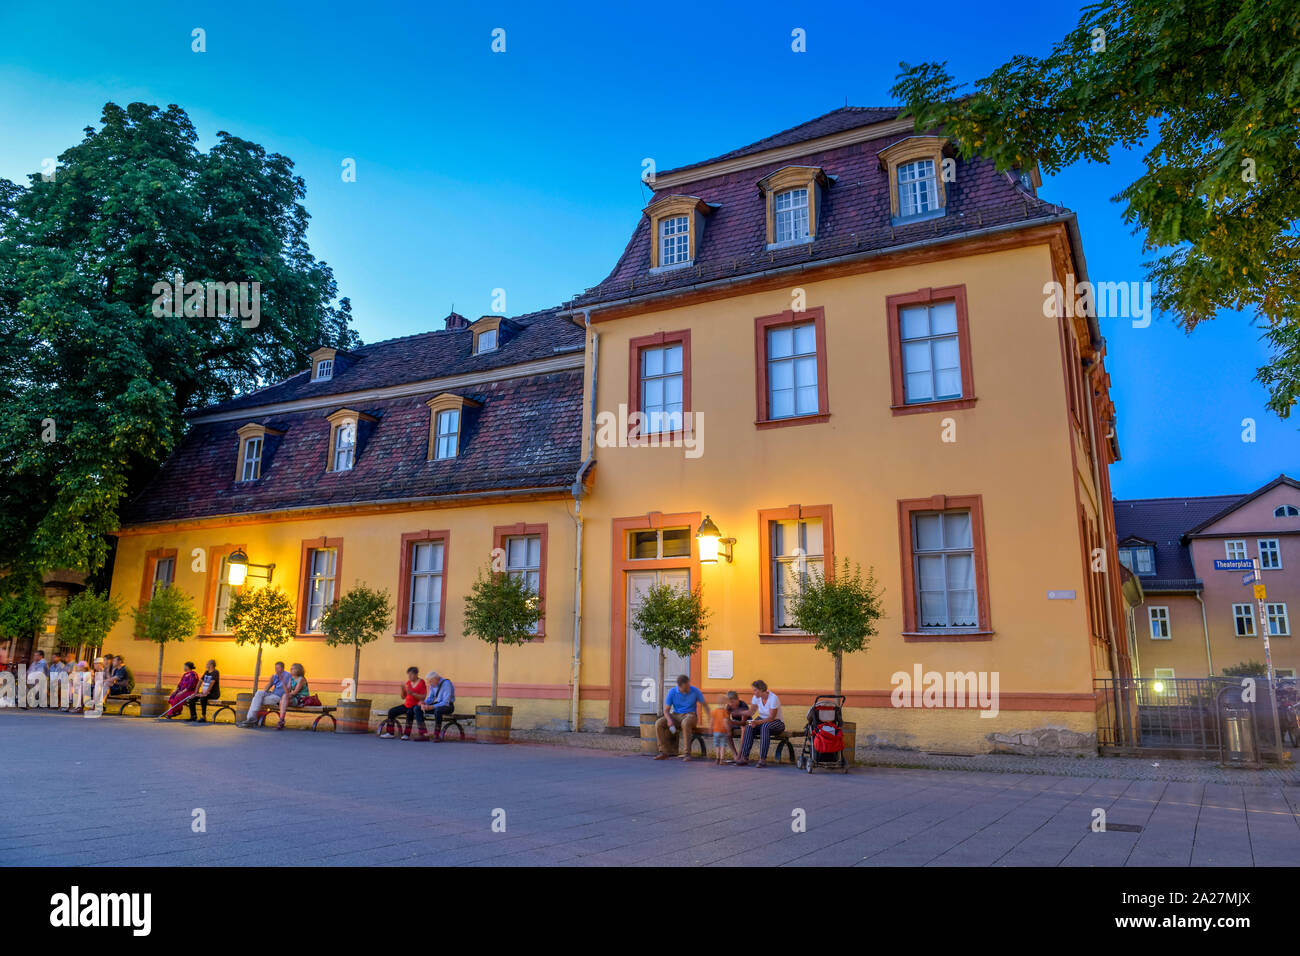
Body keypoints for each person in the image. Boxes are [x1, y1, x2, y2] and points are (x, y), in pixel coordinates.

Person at [655, 674, 710, 761]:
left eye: (688, 686)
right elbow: (666, 710)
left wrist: (710, 719)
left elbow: (705, 705)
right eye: (685, 688)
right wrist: (669, 720)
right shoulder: (672, 692)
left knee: (686, 722)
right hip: (676, 715)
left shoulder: (695, 691)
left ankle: (687, 754)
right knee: (659, 723)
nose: (688, 689)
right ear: (679, 687)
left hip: (690, 715)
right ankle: (663, 752)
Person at [735, 679, 783, 768]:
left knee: (765, 727)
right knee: (749, 726)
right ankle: (744, 757)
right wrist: (738, 712)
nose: (753, 692)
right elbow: (751, 712)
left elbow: (772, 717)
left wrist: (757, 722)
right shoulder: (756, 698)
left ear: (761, 690)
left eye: (755, 690)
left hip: (777, 722)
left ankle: (762, 759)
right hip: (762, 720)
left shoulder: (773, 698)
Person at [381, 667, 428, 740]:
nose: (409, 676)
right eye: (408, 675)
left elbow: (423, 697)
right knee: (392, 711)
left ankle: (406, 734)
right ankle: (390, 733)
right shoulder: (408, 683)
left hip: (415, 706)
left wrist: (412, 693)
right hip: (407, 705)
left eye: (411, 675)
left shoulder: (421, 682)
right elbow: (403, 697)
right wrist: (402, 690)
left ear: (416, 674)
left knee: (409, 713)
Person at [241, 661, 292, 727]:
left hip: (279, 697)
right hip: (272, 694)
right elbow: (266, 689)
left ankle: (251, 719)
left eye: (278, 668)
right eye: (275, 668)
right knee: (259, 692)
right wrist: (270, 682)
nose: (276, 670)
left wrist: (282, 680)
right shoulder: (275, 676)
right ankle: (251, 718)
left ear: (282, 668)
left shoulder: (287, 675)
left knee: (256, 700)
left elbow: (288, 690)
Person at [271, 663, 311, 730]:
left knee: (283, 699)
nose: (290, 670)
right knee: (283, 699)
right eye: (291, 668)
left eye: (292, 668)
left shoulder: (301, 679)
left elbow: (295, 692)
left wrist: (285, 696)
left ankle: (281, 721)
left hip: (302, 699)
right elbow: (287, 691)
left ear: (298, 670)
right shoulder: (291, 679)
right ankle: (281, 720)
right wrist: (283, 682)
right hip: (294, 698)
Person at [422, 671, 456, 740]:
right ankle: (423, 734)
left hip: (448, 706)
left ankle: (436, 735)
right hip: (437, 704)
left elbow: (445, 702)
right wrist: (424, 703)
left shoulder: (446, 684)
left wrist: (432, 707)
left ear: (436, 679)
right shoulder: (433, 685)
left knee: (438, 710)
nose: (429, 684)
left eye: (430, 681)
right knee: (417, 708)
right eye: (428, 682)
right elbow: (430, 698)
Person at [710, 694, 739, 765]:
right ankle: (722, 760)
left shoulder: (714, 711)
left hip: (715, 731)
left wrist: (711, 728)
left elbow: (711, 721)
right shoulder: (724, 712)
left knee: (717, 745)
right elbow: (725, 722)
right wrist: (728, 730)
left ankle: (717, 758)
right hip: (723, 731)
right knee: (723, 745)